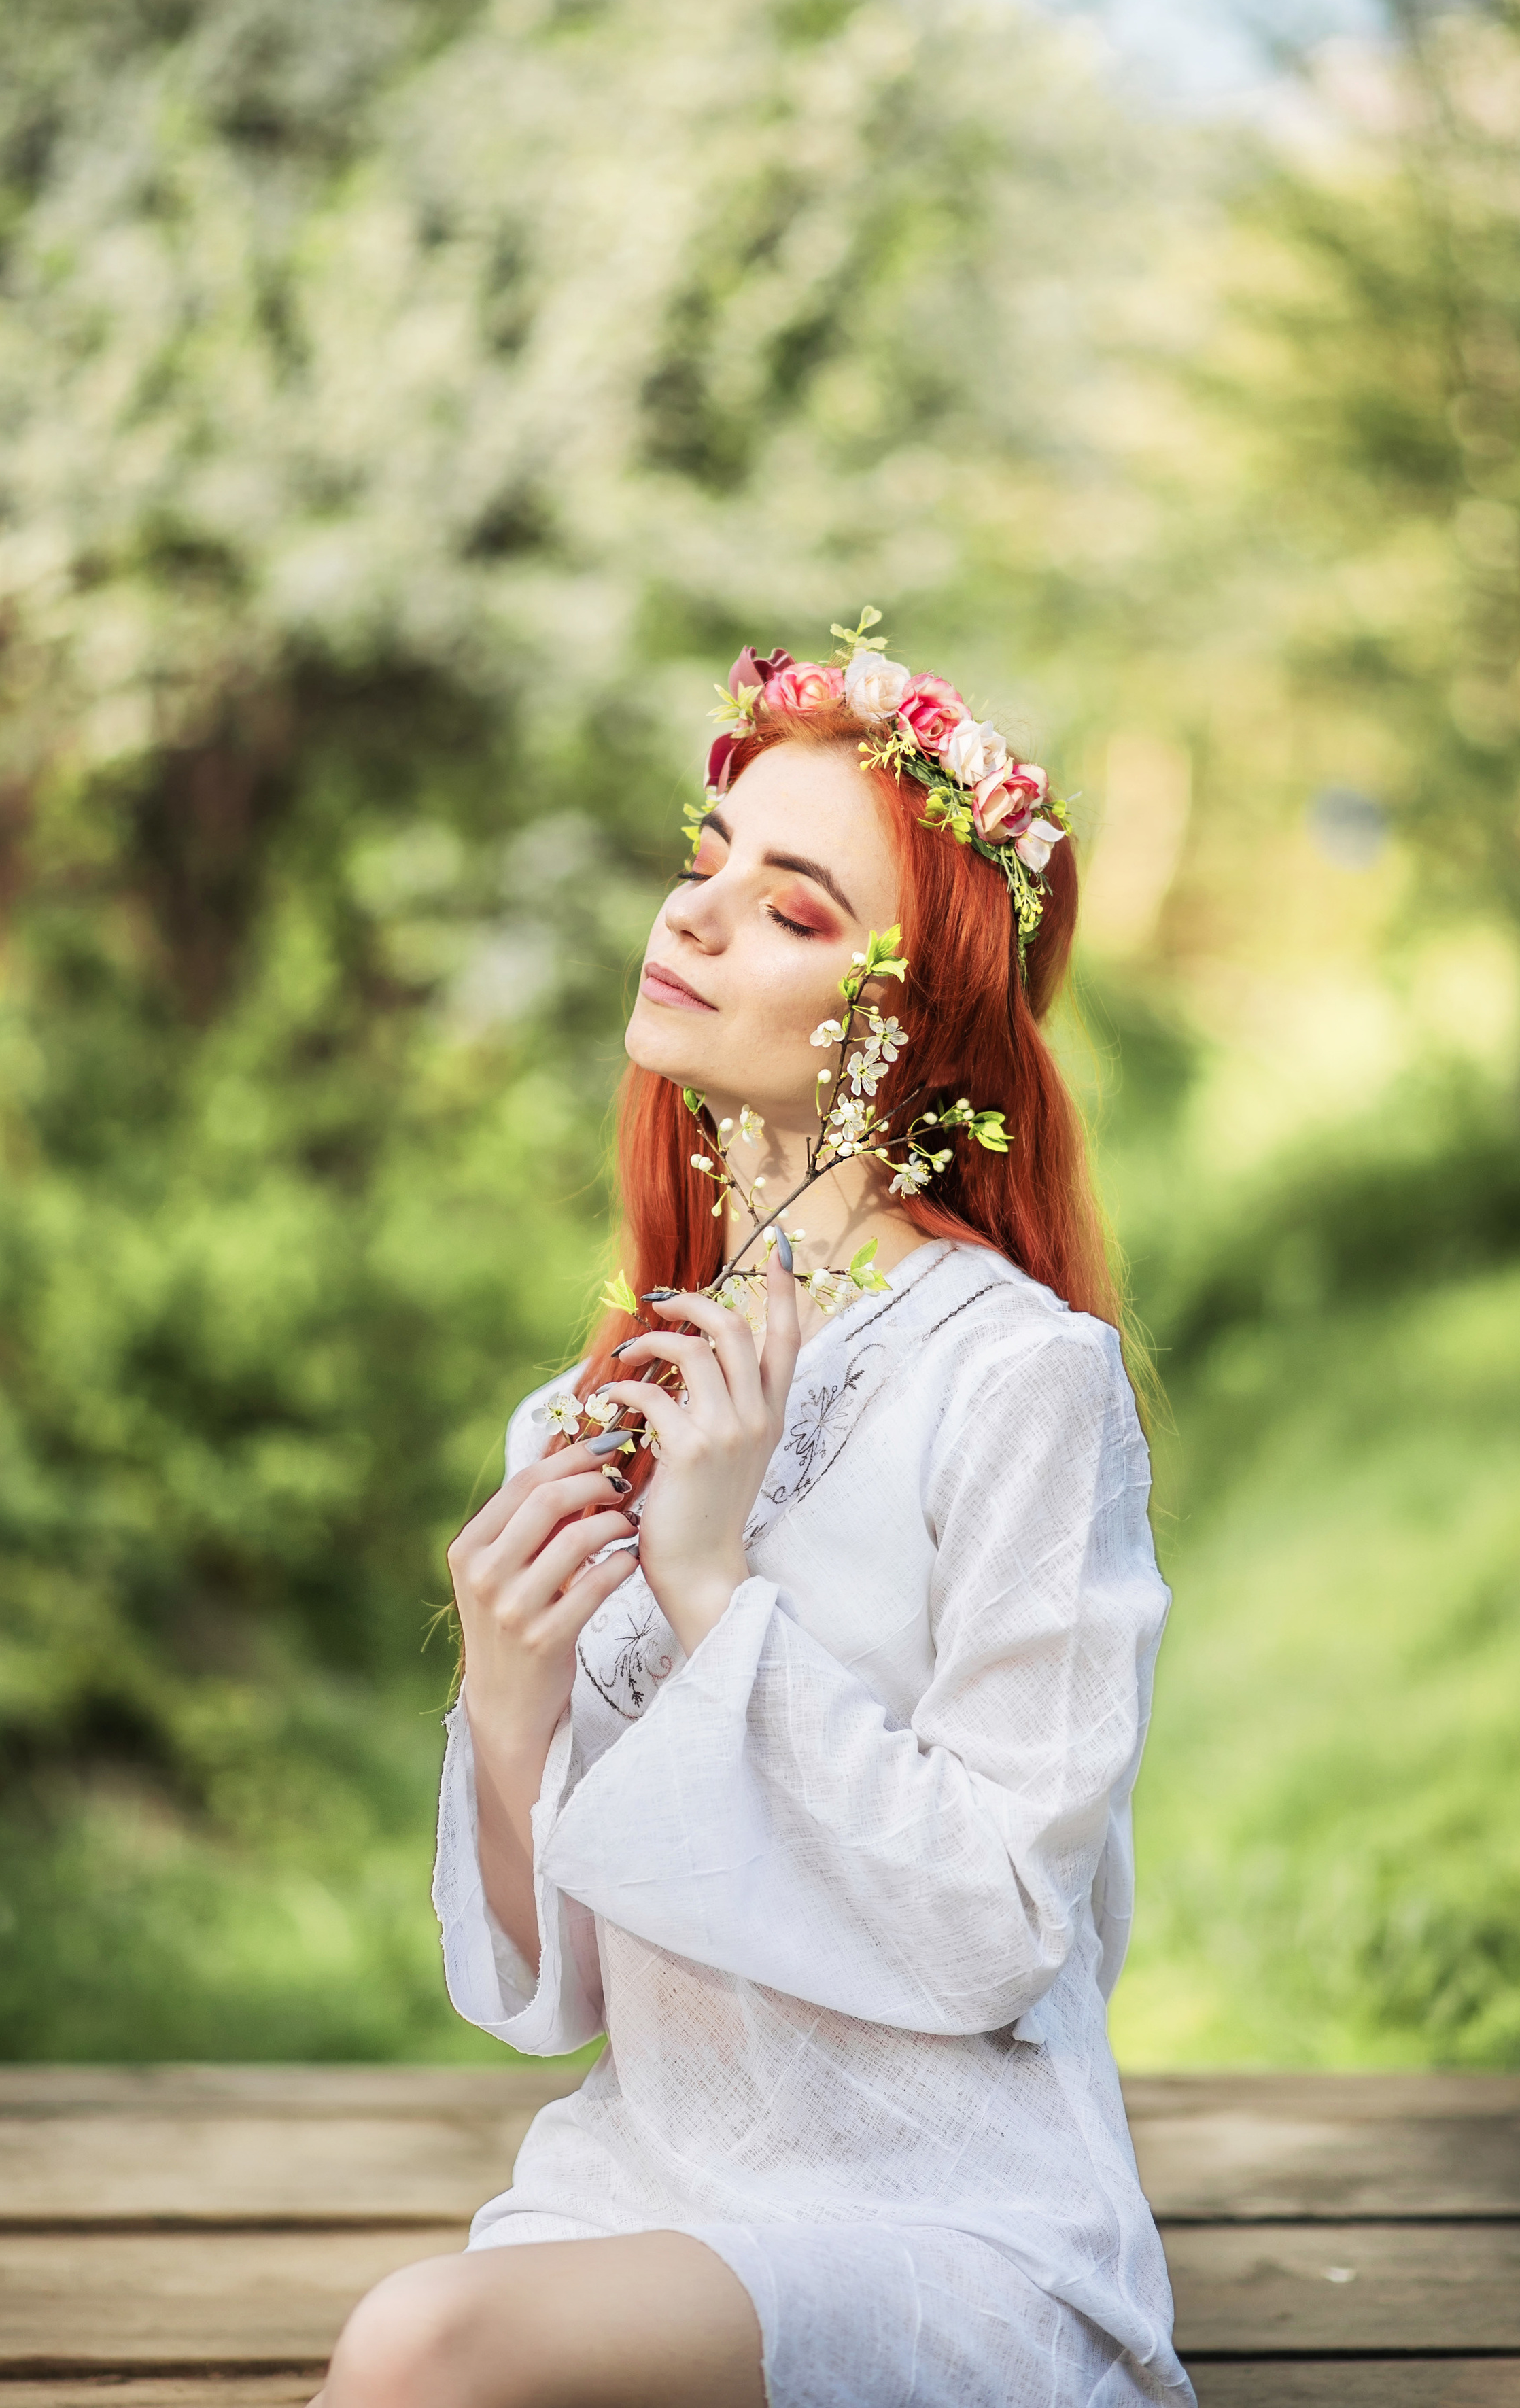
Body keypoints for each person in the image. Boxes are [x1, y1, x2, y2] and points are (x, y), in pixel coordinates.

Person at [315, 631, 1195, 2408]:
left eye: (791, 907)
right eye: (706, 858)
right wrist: (505, 1696)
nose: (695, 914)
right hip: (641, 2192)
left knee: (420, 2344)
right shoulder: (591, 1411)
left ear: (913, 1022)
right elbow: (547, 1996)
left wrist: (716, 1588)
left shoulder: (1019, 1377)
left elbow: (1002, 1925)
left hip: (946, 2217)